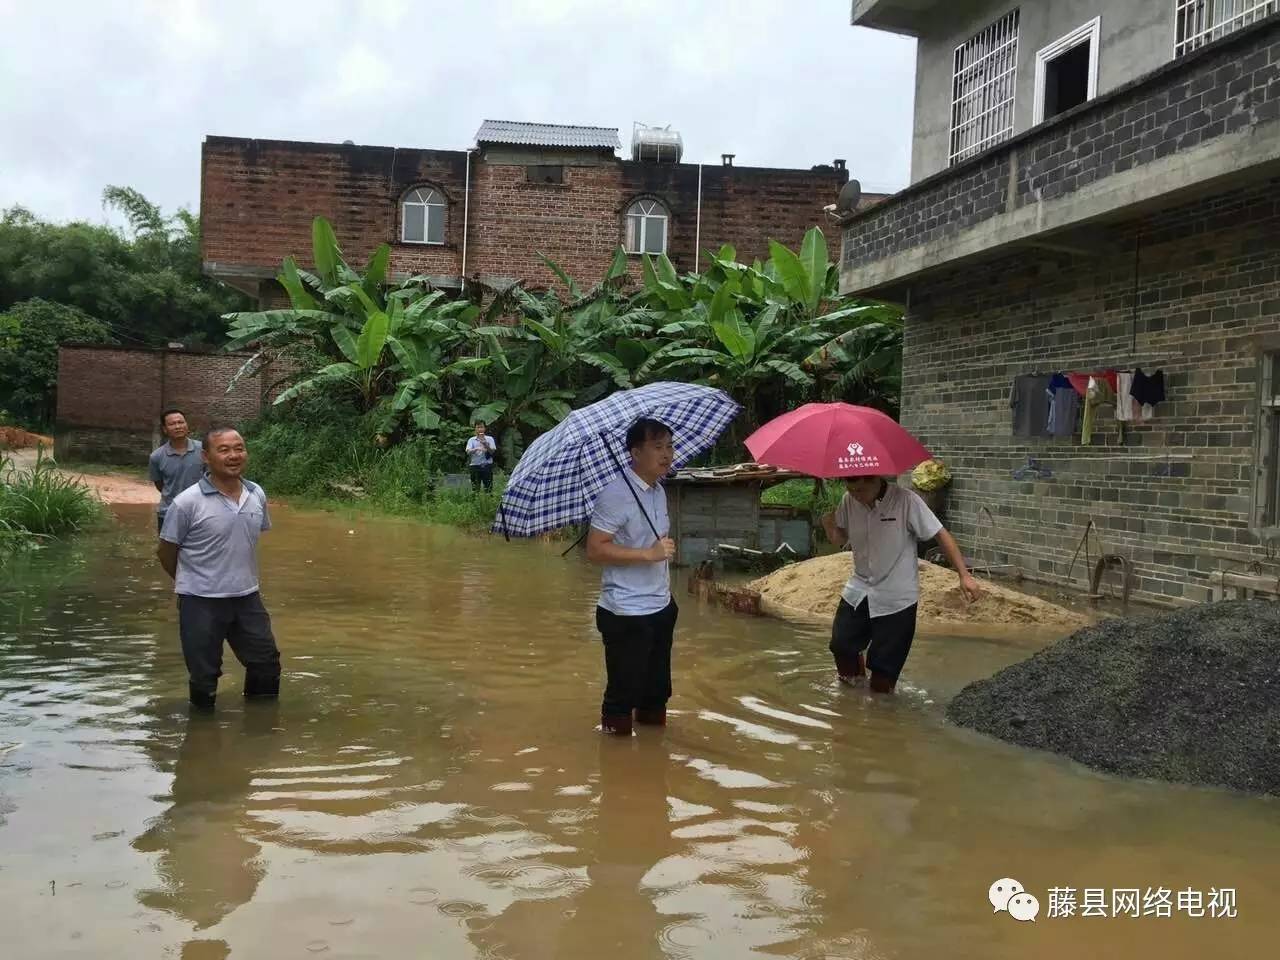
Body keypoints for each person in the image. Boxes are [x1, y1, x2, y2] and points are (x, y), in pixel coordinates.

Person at [156, 426, 280, 711]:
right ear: (206, 457)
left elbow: (244, 541)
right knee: (204, 676)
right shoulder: (187, 502)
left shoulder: (256, 493)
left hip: (247, 598)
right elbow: (165, 551)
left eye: (239, 448)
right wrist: (192, 582)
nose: (234, 455)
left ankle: (260, 730)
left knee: (266, 664)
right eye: (223, 450)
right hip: (200, 602)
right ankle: (201, 740)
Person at [821, 476, 981, 694]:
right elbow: (840, 539)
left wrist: (964, 575)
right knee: (841, 646)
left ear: (876, 480)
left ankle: (880, 711)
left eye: (861, 489)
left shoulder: (906, 500)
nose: (857, 495)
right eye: (852, 489)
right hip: (859, 589)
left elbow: (940, 534)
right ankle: (851, 701)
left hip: (896, 595)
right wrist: (830, 526)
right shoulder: (848, 500)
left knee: (883, 671)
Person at [585, 418, 678, 736]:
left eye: (669, 446)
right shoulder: (615, 495)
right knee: (621, 700)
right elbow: (595, 550)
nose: (666, 454)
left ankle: (653, 766)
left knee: (657, 695)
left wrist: (657, 553)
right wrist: (647, 554)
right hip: (625, 611)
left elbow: (655, 544)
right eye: (657, 447)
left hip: (661, 606)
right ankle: (617, 771)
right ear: (635, 453)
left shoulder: (659, 491)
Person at [148, 408, 205, 535]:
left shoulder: (203, 450)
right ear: (165, 429)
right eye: (172, 424)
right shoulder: (156, 457)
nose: (178, 426)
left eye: (181, 422)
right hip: (169, 513)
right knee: (168, 553)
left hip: (200, 513)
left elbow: (211, 477)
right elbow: (160, 485)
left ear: (186, 425)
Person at [465, 420, 498, 492]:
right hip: (475, 465)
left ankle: (487, 501)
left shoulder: (489, 439)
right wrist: (476, 449)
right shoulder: (471, 440)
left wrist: (486, 444)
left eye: (482, 427)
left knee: (488, 488)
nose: (480, 429)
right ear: (475, 429)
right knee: (475, 489)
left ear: (484, 428)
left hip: (487, 465)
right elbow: (468, 451)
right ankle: (476, 502)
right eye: (478, 427)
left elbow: (492, 452)